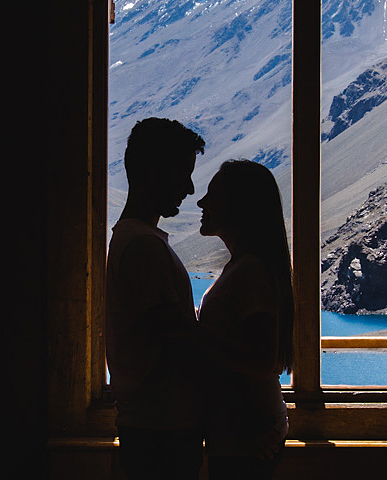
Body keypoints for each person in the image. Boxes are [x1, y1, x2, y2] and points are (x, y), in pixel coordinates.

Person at [105, 118, 208, 480]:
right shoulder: (145, 247)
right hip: (162, 431)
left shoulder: (132, 238)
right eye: (183, 174)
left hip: (151, 426)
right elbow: (176, 341)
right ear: (153, 171)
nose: (190, 187)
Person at [195, 160, 294, 479]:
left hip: (248, 435)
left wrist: (195, 338)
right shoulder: (244, 266)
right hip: (244, 432)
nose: (201, 202)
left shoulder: (250, 271)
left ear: (237, 206)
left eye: (211, 195)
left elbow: (264, 361)